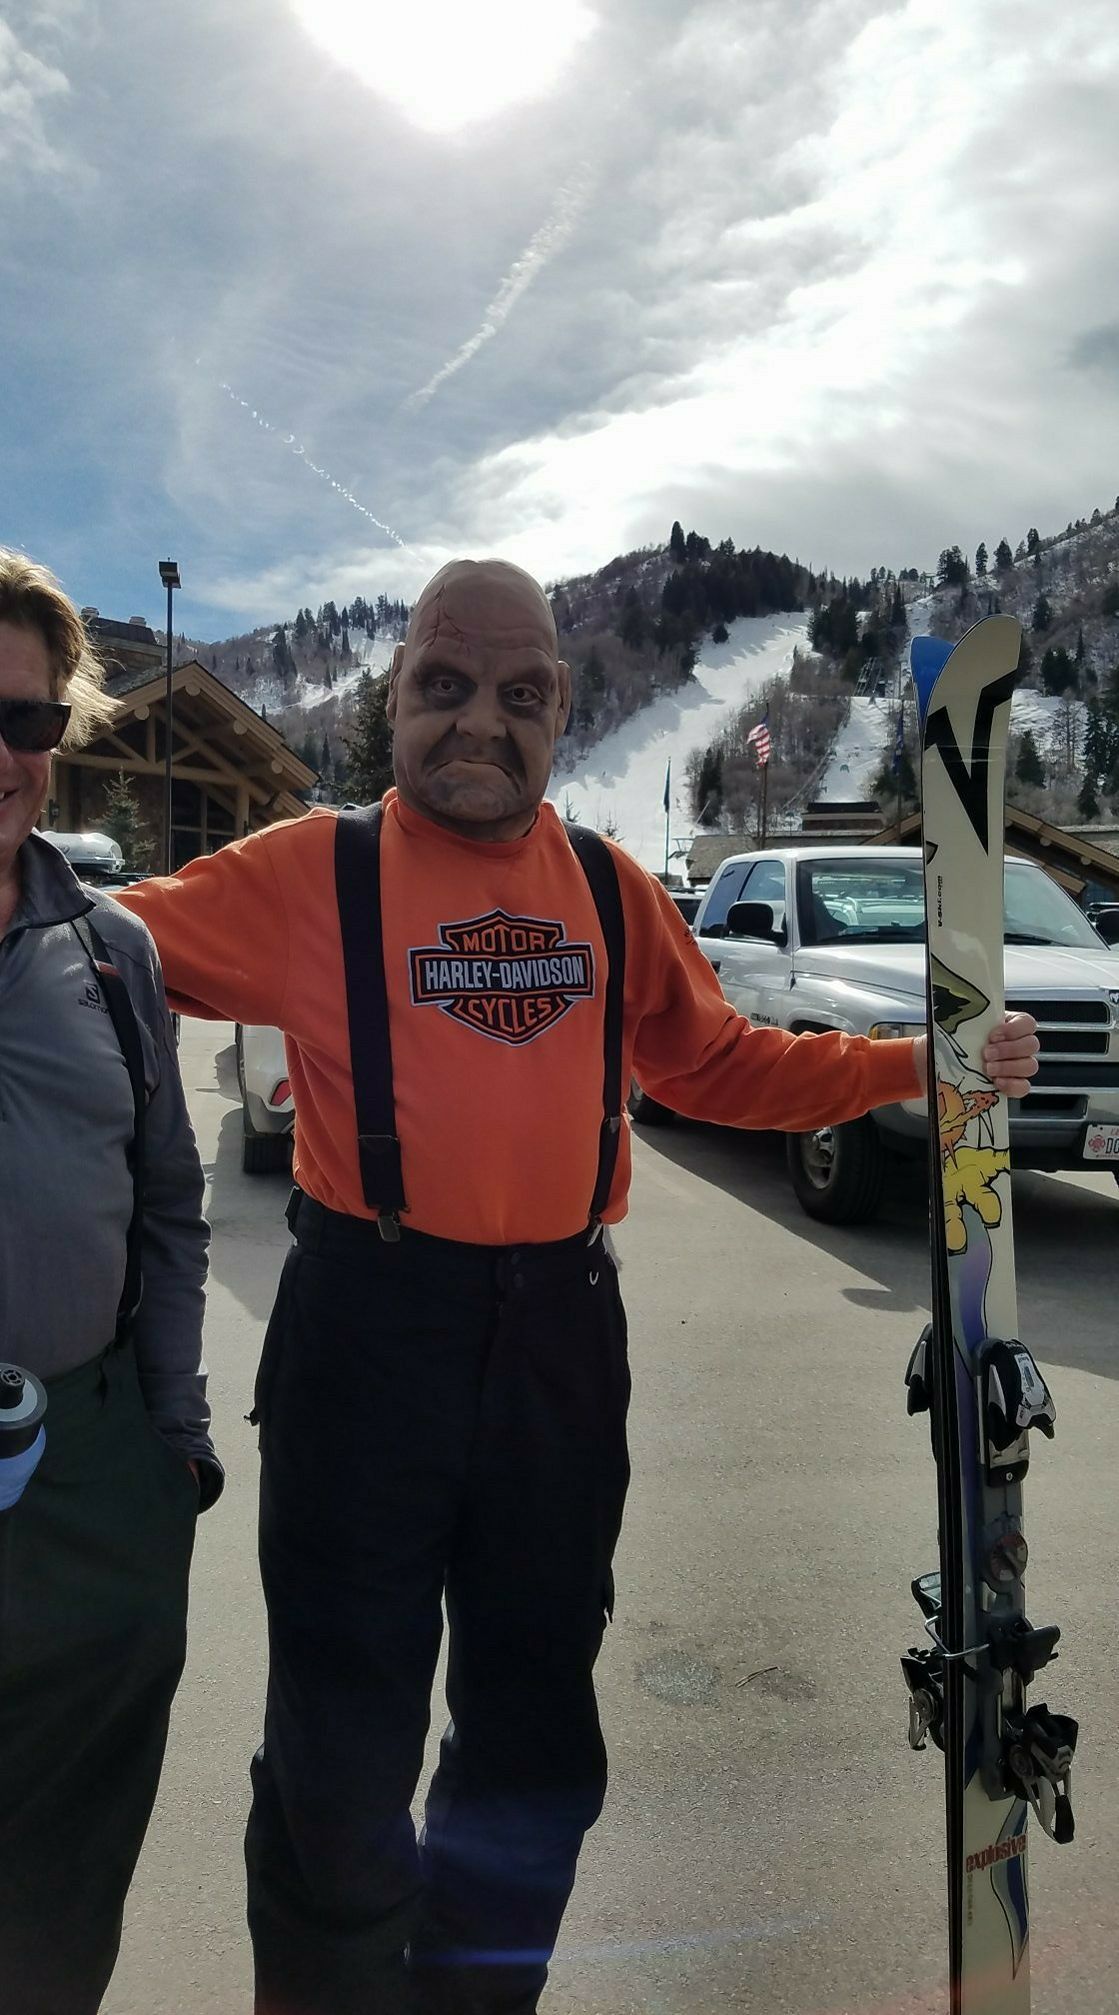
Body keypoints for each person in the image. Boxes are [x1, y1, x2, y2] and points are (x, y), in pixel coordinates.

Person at [117, 559, 1038, 2015]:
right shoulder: (310, 869)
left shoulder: (611, 890)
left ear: (563, 711)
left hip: (560, 1341)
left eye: (523, 695)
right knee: (337, 1759)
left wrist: (906, 1065)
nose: (480, 723)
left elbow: (721, 1063)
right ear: (396, 696)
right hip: (366, 1330)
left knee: (537, 1744)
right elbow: (90, 949)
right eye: (444, 687)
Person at [0, 551, 222, 2015]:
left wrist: (173, 1443)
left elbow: (170, 1206)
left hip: (90, 1479)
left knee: (63, 1890)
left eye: (25, 722)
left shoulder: (110, 947)